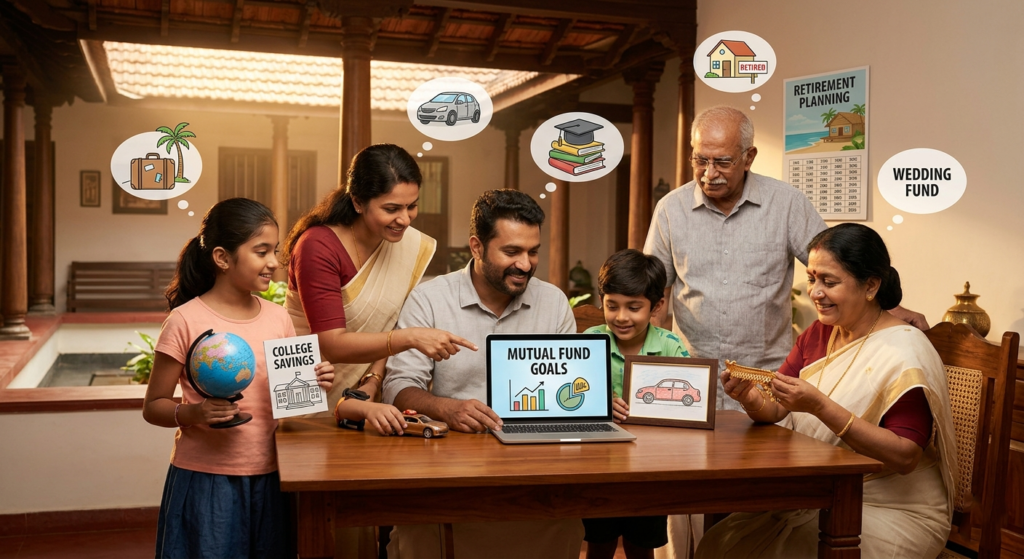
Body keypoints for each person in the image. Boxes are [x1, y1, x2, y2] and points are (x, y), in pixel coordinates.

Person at [644, 106, 928, 559]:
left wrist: (890, 307)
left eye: (723, 161)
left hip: (771, 385)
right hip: (692, 381)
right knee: (679, 509)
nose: (709, 173)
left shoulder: (787, 204)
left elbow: (838, 265)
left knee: (760, 507)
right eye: (700, 160)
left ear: (749, 156)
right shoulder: (671, 209)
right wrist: (643, 365)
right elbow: (653, 297)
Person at [697, 223, 957, 559]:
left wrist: (820, 406)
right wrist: (749, 398)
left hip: (894, 505)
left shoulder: (904, 353)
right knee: (719, 544)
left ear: (871, 286)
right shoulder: (820, 333)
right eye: (812, 279)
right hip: (825, 491)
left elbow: (905, 457)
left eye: (829, 282)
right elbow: (776, 409)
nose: (815, 292)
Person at [381, 189, 583, 559]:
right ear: (476, 246)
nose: (525, 264)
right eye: (512, 252)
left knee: (564, 520)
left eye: (533, 251)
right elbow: (397, 388)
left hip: (533, 473)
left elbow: (565, 392)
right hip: (450, 471)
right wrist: (449, 410)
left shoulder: (553, 302)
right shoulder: (430, 299)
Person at [143, 198, 335, 558]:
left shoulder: (279, 318)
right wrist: (193, 414)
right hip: (205, 480)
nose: (274, 263)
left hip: (272, 475)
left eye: (275, 251)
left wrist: (313, 380)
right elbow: (152, 406)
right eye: (261, 251)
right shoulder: (184, 321)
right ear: (222, 257)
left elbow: (289, 407)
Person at [283, 143, 476, 413]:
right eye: (392, 208)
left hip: (366, 399)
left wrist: (373, 380)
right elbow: (333, 345)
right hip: (305, 385)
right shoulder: (318, 246)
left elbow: (389, 322)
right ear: (358, 202)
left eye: (412, 206)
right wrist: (410, 337)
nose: (405, 220)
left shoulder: (408, 245)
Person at [581, 249, 689, 559]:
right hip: (599, 468)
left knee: (642, 547)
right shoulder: (590, 341)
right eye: (611, 306)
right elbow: (573, 395)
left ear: (656, 306)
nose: (621, 317)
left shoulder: (671, 346)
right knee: (598, 545)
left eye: (634, 307)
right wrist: (600, 403)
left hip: (651, 470)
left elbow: (688, 406)